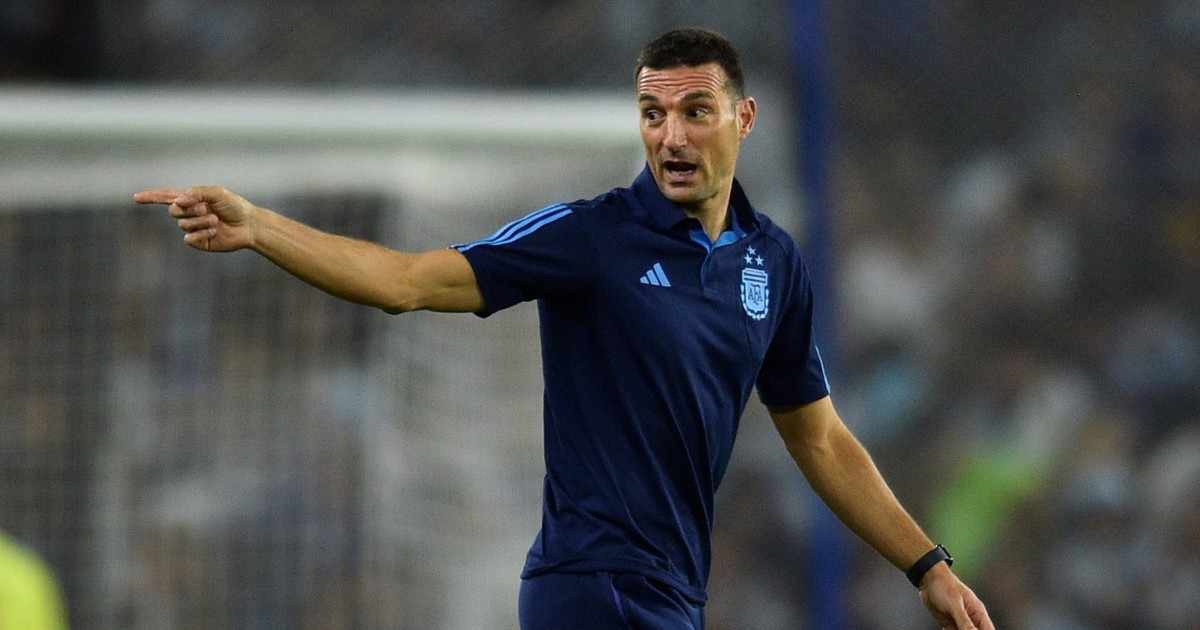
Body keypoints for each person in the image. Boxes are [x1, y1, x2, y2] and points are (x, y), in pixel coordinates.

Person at [136, 26, 992, 630]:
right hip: (592, 584)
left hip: (674, 594)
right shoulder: (590, 236)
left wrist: (927, 566)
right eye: (652, 113)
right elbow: (407, 281)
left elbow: (820, 437)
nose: (671, 135)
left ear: (745, 118)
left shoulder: (774, 263)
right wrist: (261, 227)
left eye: (696, 111)